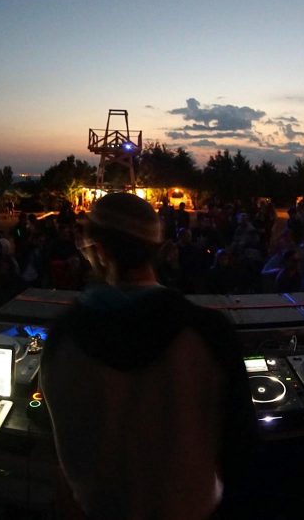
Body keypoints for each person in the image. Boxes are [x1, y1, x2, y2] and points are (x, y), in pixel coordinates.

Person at [41, 192, 253, 520]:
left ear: (100, 250)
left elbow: (61, 451)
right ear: (158, 248)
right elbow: (240, 449)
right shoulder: (210, 332)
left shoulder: (63, 337)